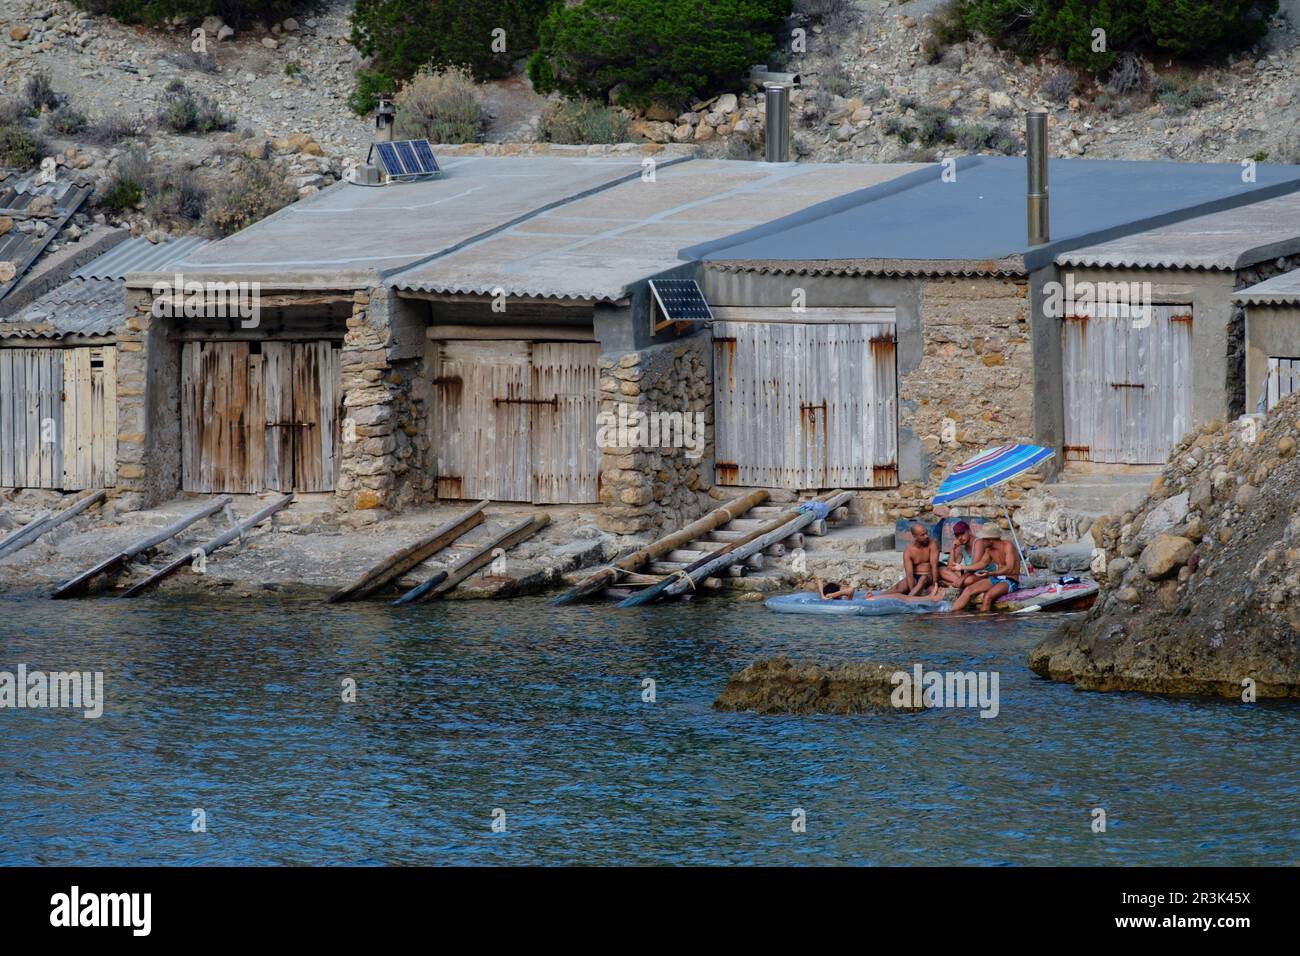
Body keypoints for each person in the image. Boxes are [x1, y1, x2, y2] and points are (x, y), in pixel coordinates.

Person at [949, 525, 1021, 613]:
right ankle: (950, 613)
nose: (980, 541)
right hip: (997, 577)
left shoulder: (1008, 546)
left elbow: (1009, 569)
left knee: (987, 597)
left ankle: (983, 623)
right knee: (968, 590)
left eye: (983, 539)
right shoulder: (989, 549)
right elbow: (981, 563)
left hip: (1010, 580)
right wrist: (962, 567)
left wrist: (990, 574)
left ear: (990, 539)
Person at [887, 523, 940, 597]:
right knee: (897, 588)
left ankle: (909, 598)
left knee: (923, 579)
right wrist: (912, 589)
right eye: (922, 535)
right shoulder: (908, 551)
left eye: (926, 533)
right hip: (916, 577)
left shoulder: (932, 544)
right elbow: (909, 575)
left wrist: (935, 585)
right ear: (915, 536)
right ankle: (873, 598)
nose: (926, 536)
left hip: (928, 576)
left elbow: (934, 566)